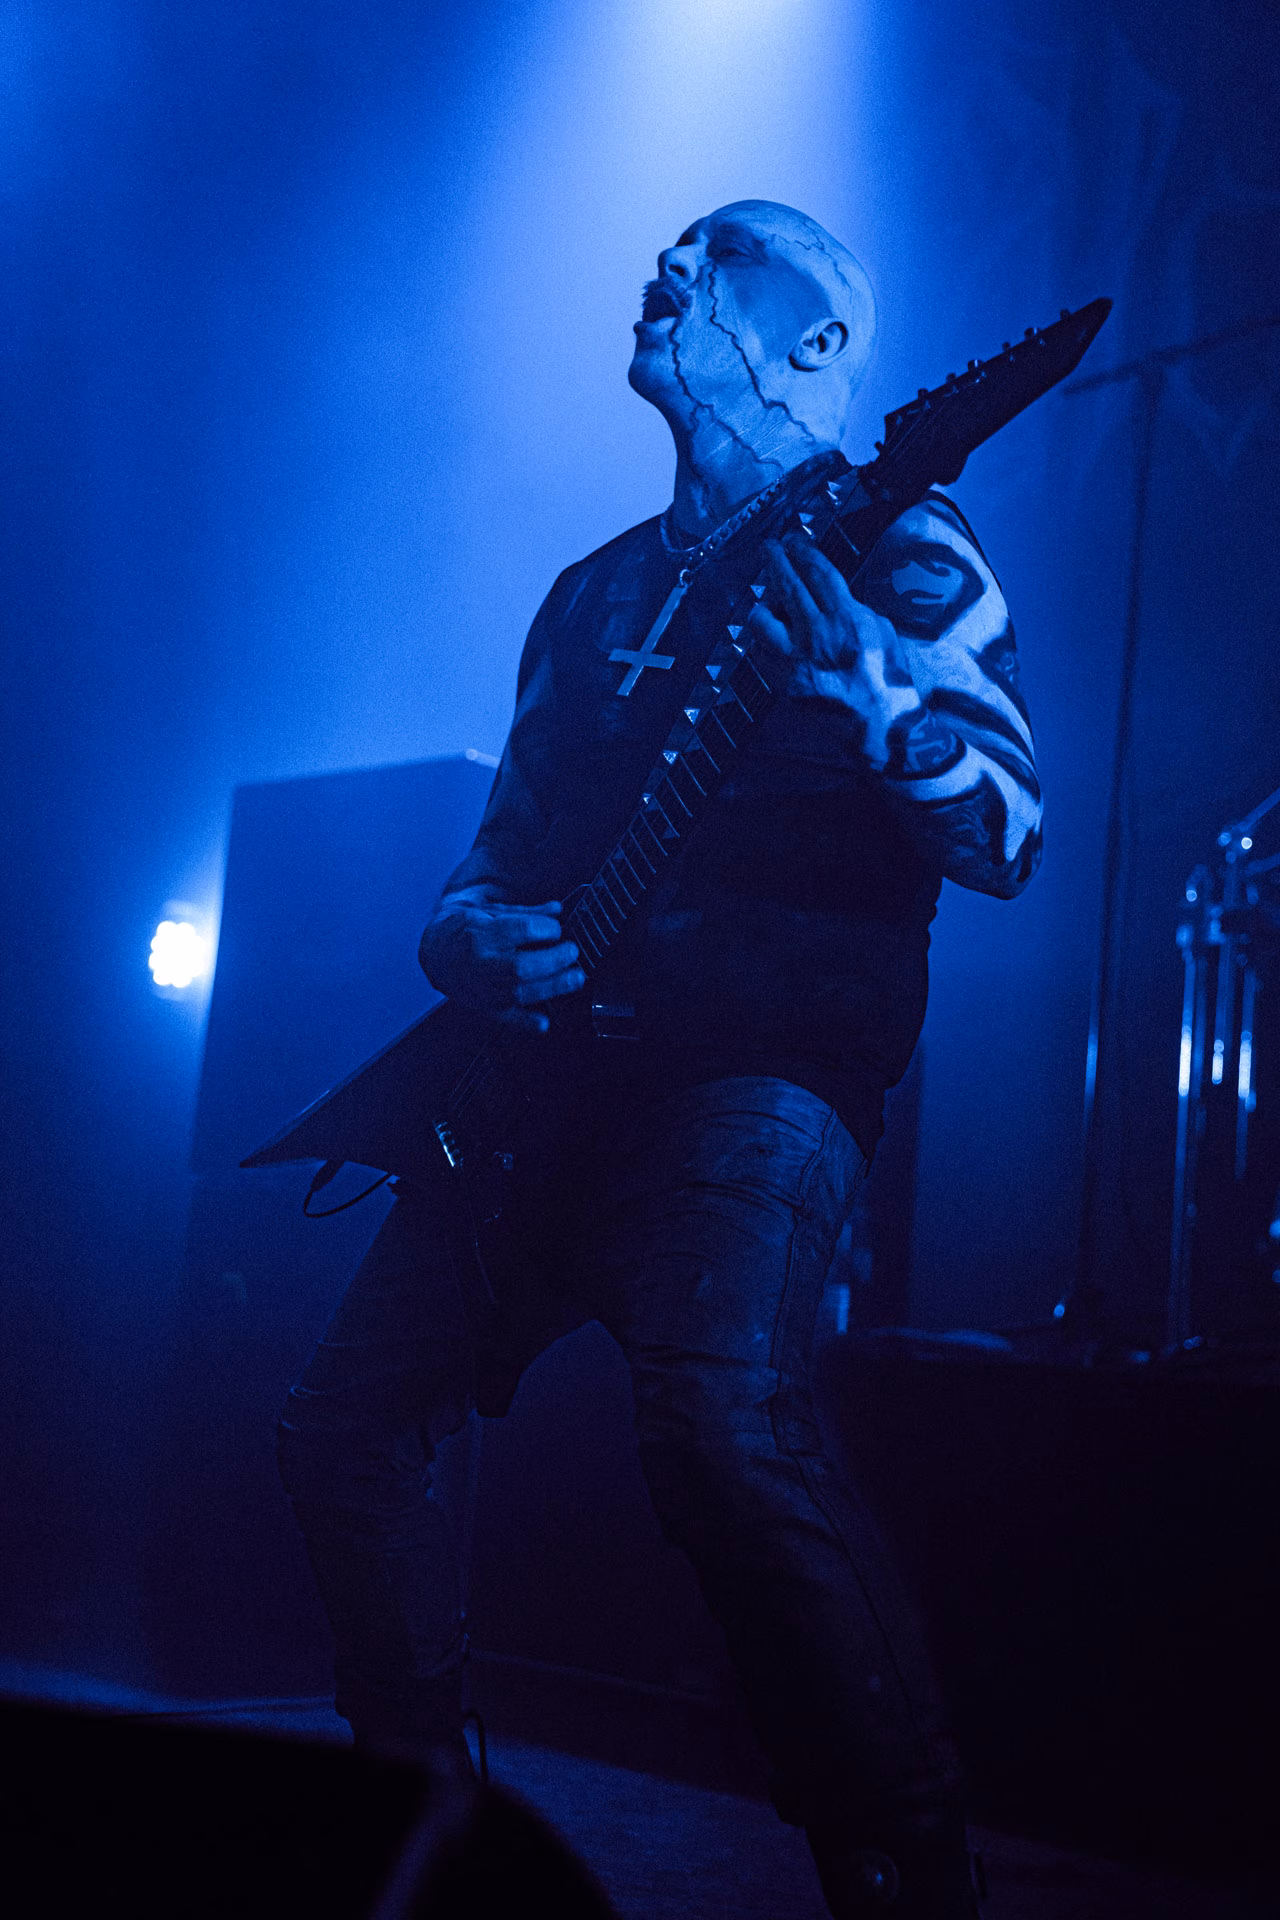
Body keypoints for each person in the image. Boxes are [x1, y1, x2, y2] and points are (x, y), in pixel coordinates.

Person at [278, 201, 1042, 1919]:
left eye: (724, 253)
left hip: (758, 1078)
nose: (672, 263)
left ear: (820, 344)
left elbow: (1011, 831)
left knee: (718, 1421)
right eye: (673, 246)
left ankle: (906, 1863)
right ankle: (425, 1828)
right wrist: (465, 936)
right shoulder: (592, 594)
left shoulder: (907, 543)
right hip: (537, 1093)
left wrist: (882, 698)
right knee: (338, 1430)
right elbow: (493, 858)